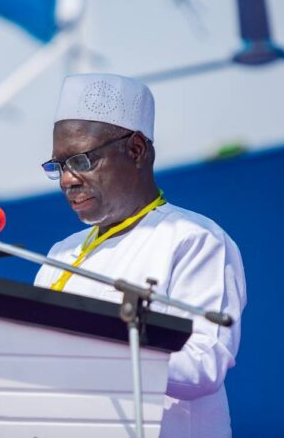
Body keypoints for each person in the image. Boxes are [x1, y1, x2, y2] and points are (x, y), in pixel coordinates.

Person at [34, 73, 247, 437]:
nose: (68, 179)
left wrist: (91, 351)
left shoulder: (193, 238)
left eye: (81, 161)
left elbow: (204, 365)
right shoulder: (60, 254)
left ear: (135, 150)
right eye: (59, 166)